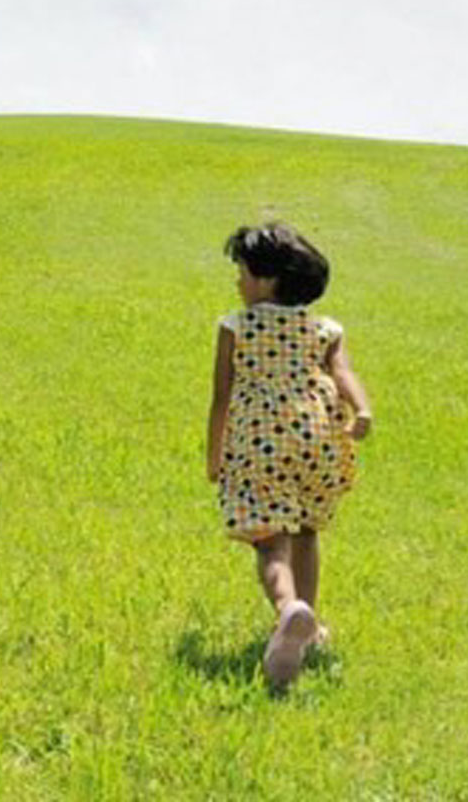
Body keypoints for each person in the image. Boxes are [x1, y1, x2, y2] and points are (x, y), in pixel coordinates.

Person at [206, 221, 373, 688]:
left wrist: (214, 455)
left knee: (268, 540)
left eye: (242, 271)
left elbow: (221, 396)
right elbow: (343, 373)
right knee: (305, 530)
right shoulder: (324, 328)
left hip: (260, 442)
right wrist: (362, 410)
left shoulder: (235, 327)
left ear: (267, 279)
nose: (238, 281)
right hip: (317, 437)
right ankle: (311, 627)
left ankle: (289, 610)